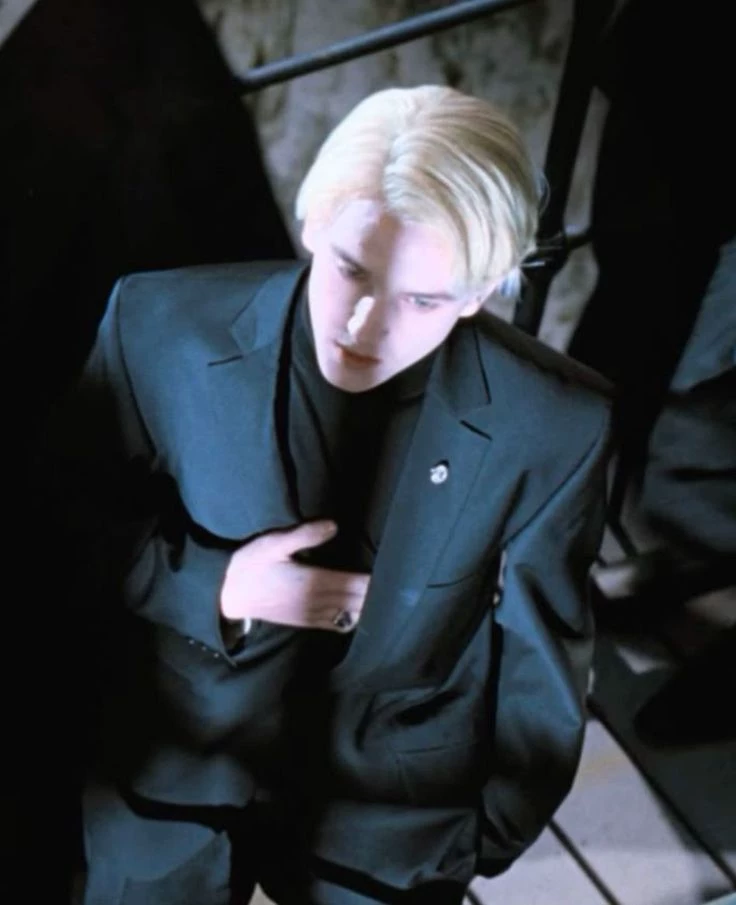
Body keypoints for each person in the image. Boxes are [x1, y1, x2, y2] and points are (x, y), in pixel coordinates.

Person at [46, 85, 612, 905]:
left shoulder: (555, 423)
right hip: (170, 773)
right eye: (351, 270)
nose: (366, 325)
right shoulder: (159, 323)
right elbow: (54, 520)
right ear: (313, 222)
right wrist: (220, 587)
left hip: (392, 819)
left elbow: (543, 658)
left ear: (480, 292)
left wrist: (485, 832)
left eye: (423, 300)